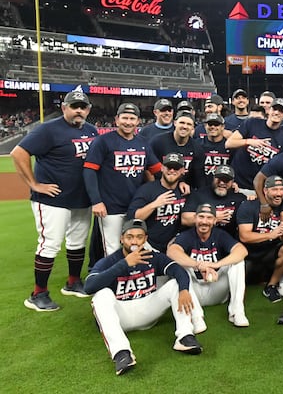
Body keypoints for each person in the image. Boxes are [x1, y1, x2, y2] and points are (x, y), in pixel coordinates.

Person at [12, 90, 98, 311]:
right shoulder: (48, 129)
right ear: (64, 108)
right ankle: (38, 294)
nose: (78, 110)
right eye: (74, 106)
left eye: (82, 107)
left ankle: (73, 282)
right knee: (50, 244)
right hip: (53, 199)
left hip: (81, 198)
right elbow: (18, 153)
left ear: (88, 110)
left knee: (78, 242)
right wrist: (34, 184)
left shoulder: (91, 130)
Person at [84, 218, 204, 376]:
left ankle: (185, 337)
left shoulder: (153, 257)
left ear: (145, 239)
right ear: (121, 239)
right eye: (130, 237)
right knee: (101, 296)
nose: (134, 241)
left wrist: (184, 290)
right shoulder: (110, 261)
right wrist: (124, 264)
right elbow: (89, 287)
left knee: (176, 285)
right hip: (122, 316)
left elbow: (178, 270)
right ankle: (122, 353)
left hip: (148, 309)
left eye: (139, 237)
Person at [84, 103, 162, 258]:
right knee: (112, 250)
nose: (128, 122)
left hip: (135, 206)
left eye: (132, 118)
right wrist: (96, 201)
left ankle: (135, 273)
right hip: (110, 206)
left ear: (138, 121)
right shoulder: (103, 141)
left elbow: (157, 170)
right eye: (124, 118)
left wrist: (179, 182)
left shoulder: (143, 143)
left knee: (138, 246)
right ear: (117, 120)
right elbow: (89, 171)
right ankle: (111, 275)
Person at [167, 203, 251, 328]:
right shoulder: (187, 235)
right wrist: (198, 265)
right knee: (179, 266)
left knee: (238, 262)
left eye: (209, 218)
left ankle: (237, 312)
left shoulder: (220, 235)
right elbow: (172, 252)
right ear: (195, 218)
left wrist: (215, 264)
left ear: (215, 221)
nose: (204, 221)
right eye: (201, 217)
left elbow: (242, 250)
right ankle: (196, 317)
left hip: (216, 287)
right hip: (195, 291)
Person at [237, 175, 283, 302]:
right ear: (265, 191)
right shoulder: (249, 206)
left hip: (269, 252)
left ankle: (271, 286)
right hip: (248, 254)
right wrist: (270, 235)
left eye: (281, 189)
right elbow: (244, 236)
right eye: (274, 189)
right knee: (239, 284)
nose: (279, 193)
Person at [225, 97, 283, 196]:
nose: (276, 113)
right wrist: (249, 141)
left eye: (281, 111)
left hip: (259, 190)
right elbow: (229, 143)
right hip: (237, 185)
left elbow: (280, 170)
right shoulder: (252, 123)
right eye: (274, 109)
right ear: (269, 110)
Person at [126, 153, 187, 251]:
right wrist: (154, 204)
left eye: (176, 168)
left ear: (182, 171)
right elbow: (133, 218)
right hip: (149, 245)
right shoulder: (147, 189)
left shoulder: (185, 191)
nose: (172, 170)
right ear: (162, 168)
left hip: (174, 245)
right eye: (168, 167)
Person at [182, 165, 247, 240]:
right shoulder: (199, 194)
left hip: (228, 240)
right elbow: (184, 219)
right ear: (213, 178)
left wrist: (252, 198)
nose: (222, 183)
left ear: (232, 182)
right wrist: (212, 217)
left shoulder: (239, 198)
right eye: (219, 179)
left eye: (226, 180)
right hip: (200, 240)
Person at [149, 111, 206, 189]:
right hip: (159, 187)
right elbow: (148, 169)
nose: (185, 126)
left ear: (193, 127)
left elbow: (199, 178)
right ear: (175, 123)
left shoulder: (197, 148)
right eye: (182, 123)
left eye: (189, 124)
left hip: (184, 189)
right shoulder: (158, 142)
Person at [197, 113, 232, 186]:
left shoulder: (229, 145)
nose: (213, 127)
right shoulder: (197, 144)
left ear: (222, 127)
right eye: (210, 124)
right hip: (201, 187)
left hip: (223, 186)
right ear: (205, 126)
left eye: (216, 124)